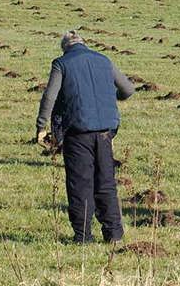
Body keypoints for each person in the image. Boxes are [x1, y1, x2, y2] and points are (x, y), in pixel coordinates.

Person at [35, 31, 135, 244]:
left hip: (77, 133)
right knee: (106, 182)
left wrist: (41, 126)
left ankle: (83, 236)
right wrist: (111, 97)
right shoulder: (104, 60)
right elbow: (128, 89)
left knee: (80, 184)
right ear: (84, 44)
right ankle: (114, 234)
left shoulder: (61, 63)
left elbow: (50, 96)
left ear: (65, 47)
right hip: (106, 133)